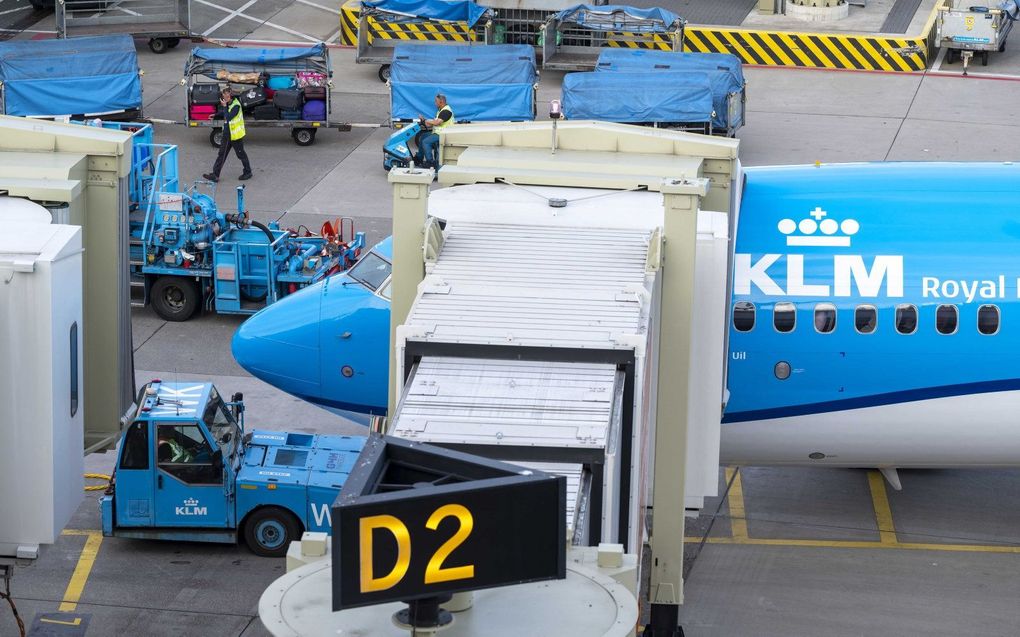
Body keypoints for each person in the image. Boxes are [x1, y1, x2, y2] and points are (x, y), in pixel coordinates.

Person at [204, 88, 252, 183]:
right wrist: (215, 115)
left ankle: (248, 172)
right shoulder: (230, 104)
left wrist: (225, 106)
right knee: (221, 154)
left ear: (230, 96)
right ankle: (215, 175)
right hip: (228, 134)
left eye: (225, 96)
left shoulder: (236, 106)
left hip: (235, 136)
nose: (223, 97)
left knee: (241, 154)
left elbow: (228, 117)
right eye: (223, 95)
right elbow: (224, 113)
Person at [415, 93, 455, 169]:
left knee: (426, 141)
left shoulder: (446, 111)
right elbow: (431, 124)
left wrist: (427, 120)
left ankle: (430, 162)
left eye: (436, 101)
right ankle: (419, 158)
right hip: (438, 132)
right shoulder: (440, 111)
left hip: (443, 134)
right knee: (423, 136)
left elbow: (437, 122)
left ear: (441, 102)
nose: (435, 103)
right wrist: (423, 120)